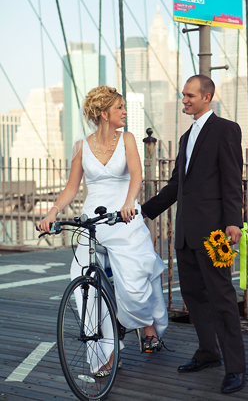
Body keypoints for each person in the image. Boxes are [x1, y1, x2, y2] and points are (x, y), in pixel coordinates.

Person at [38, 85, 168, 376]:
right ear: (104, 113)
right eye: (120, 107)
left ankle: (146, 325)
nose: (125, 112)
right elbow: (72, 187)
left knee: (134, 283)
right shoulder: (81, 145)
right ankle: (104, 356)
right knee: (84, 286)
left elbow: (137, 175)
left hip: (123, 216)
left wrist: (128, 203)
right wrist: (52, 212)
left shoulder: (128, 140)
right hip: (92, 221)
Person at [142, 75, 246, 394]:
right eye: (183, 95)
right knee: (194, 297)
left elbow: (232, 180)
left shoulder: (226, 129)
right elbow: (177, 186)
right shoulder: (187, 138)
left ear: (207, 97)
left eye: (189, 95)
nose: (184, 99)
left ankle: (236, 367)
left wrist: (233, 222)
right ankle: (208, 353)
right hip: (186, 235)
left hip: (215, 233)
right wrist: (145, 210)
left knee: (223, 299)